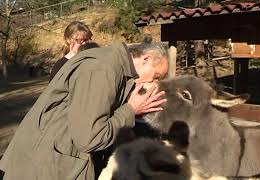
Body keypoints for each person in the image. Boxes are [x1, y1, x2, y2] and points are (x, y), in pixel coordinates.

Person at [0, 41, 169, 180]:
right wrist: (131, 109)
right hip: (44, 168)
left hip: (54, 162)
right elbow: (90, 138)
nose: (154, 83)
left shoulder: (114, 67)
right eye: (156, 76)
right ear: (146, 59)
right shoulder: (102, 69)